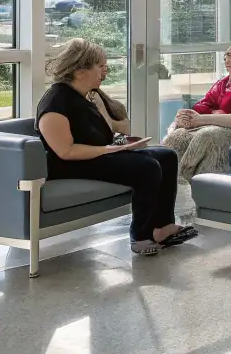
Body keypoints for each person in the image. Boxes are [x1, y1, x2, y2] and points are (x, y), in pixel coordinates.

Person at [36, 39, 195, 256]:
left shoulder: (84, 97)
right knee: (147, 167)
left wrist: (117, 145)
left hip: (97, 155)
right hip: (71, 164)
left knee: (166, 156)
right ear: (81, 71)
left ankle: (162, 227)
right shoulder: (56, 102)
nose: (105, 71)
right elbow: (66, 151)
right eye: (100, 66)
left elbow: (103, 132)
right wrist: (109, 150)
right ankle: (140, 235)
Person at [160, 37, 231, 181]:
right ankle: (161, 178)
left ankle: (183, 176)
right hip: (209, 127)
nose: (225, 59)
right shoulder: (222, 84)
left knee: (206, 135)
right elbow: (200, 108)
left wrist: (203, 119)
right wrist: (177, 123)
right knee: (178, 136)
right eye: (225, 55)